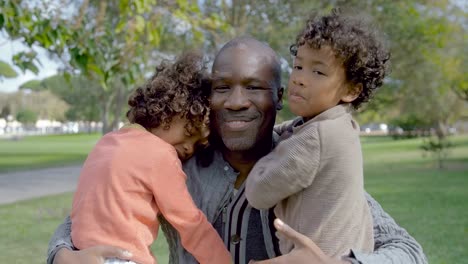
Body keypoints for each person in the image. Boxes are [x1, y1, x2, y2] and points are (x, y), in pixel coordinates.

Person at [47, 38, 428, 264]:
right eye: (222, 87)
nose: (236, 102)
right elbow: (92, 210)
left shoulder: (310, 160)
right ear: (205, 99)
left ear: (279, 97)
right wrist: (63, 254)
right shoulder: (177, 162)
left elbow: (409, 251)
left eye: (254, 87)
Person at [245, 8, 390, 258]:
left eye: (318, 72)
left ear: (352, 90)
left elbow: (258, 192)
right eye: (298, 66)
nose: (299, 78)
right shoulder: (342, 127)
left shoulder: (315, 139)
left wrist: (258, 152)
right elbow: (291, 130)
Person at [68, 52, 231, 264]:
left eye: (198, 145)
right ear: (170, 110)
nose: (189, 148)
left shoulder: (106, 142)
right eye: (190, 133)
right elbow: (190, 224)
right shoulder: (161, 155)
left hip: (81, 252)